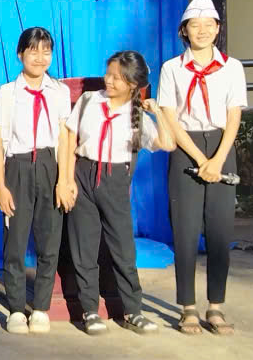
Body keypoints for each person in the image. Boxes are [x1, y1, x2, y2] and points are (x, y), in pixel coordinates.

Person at [63, 51, 174, 336]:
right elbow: (69, 138)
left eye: (117, 77)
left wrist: (158, 112)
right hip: (83, 174)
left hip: (115, 181)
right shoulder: (89, 100)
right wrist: (67, 180)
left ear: (133, 84)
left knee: (123, 250)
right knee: (84, 247)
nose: (109, 80)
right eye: (108, 73)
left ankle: (133, 310)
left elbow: (167, 143)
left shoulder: (138, 116)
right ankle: (89, 310)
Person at [157, 0, 247, 335]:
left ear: (218, 28)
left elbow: (234, 114)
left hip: (222, 146)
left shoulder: (232, 67)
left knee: (220, 230)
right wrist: (199, 158)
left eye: (209, 25)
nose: (203, 31)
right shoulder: (171, 68)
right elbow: (169, 115)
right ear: (184, 31)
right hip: (186, 147)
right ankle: (188, 308)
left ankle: (216, 307)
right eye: (195, 25)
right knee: (185, 230)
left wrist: (218, 159)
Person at [0, 27, 72, 334]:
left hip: (50, 166)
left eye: (46, 51)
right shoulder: (7, 93)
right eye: (33, 50)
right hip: (18, 166)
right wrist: (0, 186)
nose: (40, 57)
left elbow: (64, 137)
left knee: (49, 242)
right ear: (20, 54)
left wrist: (64, 180)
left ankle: (40, 308)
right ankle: (15, 309)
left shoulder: (59, 91)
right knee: (15, 242)